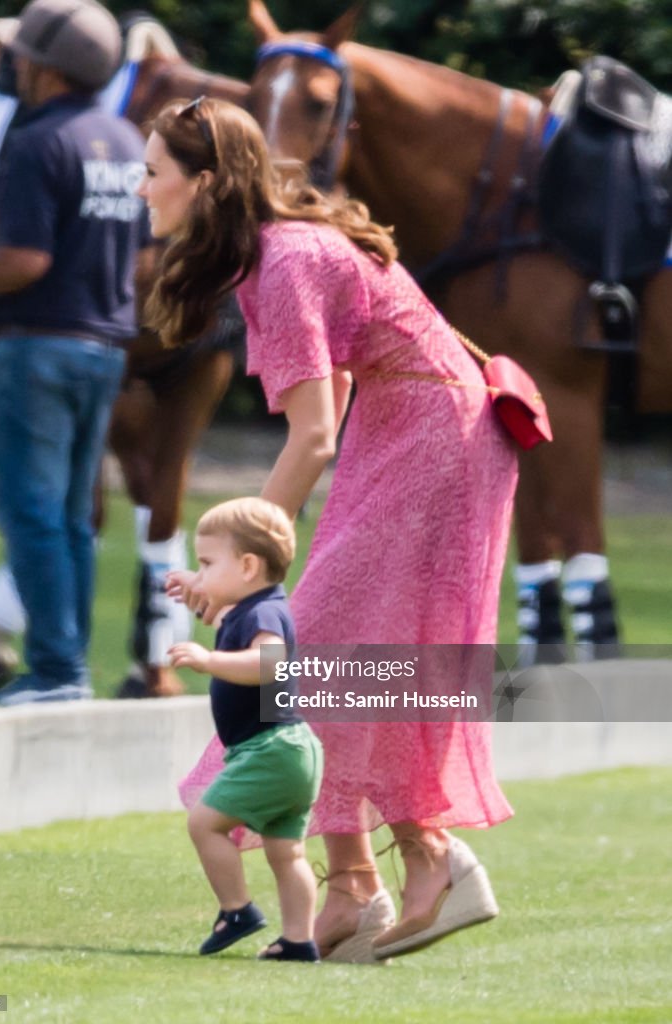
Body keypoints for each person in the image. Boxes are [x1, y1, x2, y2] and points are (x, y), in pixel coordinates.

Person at [138, 96, 517, 963]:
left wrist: (246, 561)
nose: (140, 185)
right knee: (320, 654)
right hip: (406, 428)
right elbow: (332, 398)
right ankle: (353, 890)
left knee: (325, 656)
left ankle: (432, 860)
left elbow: (312, 432)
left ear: (201, 183)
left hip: (434, 436)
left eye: (153, 169)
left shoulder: (283, 260)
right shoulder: (264, 257)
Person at [0, 0, 151, 705]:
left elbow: (26, 258)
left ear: (46, 69)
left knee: (30, 511)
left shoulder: (36, 141)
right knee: (67, 514)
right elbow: (140, 253)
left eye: (22, 54)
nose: (12, 64)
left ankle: (58, 673)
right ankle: (70, 667)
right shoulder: (125, 140)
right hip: (104, 351)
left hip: (37, 348)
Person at [167, 497, 323, 961]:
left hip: (270, 748)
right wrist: (194, 583)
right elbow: (218, 606)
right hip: (293, 749)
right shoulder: (253, 605)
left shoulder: (262, 616)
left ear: (248, 565)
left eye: (207, 563)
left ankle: (236, 910)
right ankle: (298, 940)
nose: (202, 573)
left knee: (205, 824)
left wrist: (207, 659)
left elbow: (268, 666)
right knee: (286, 853)